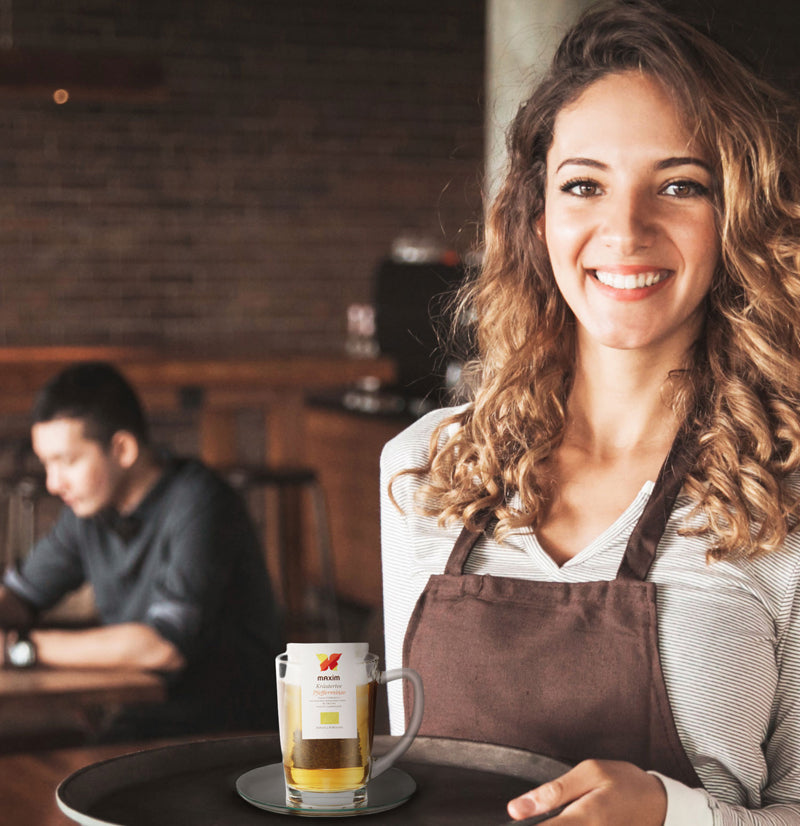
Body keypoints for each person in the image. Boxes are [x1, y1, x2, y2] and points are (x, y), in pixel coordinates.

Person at [381, 1, 800, 823]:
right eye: (584, 185)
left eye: (680, 185)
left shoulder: (785, 490)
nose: (626, 228)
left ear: (737, 218)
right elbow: (410, 779)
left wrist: (674, 815)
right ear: (538, 220)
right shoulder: (423, 470)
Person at [0, 361, 283, 739]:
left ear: (123, 448)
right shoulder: (89, 512)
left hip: (225, 736)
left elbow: (163, 647)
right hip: (145, 721)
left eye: (66, 461)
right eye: (46, 463)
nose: (53, 483)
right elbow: (20, 596)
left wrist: (22, 649)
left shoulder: (201, 502)